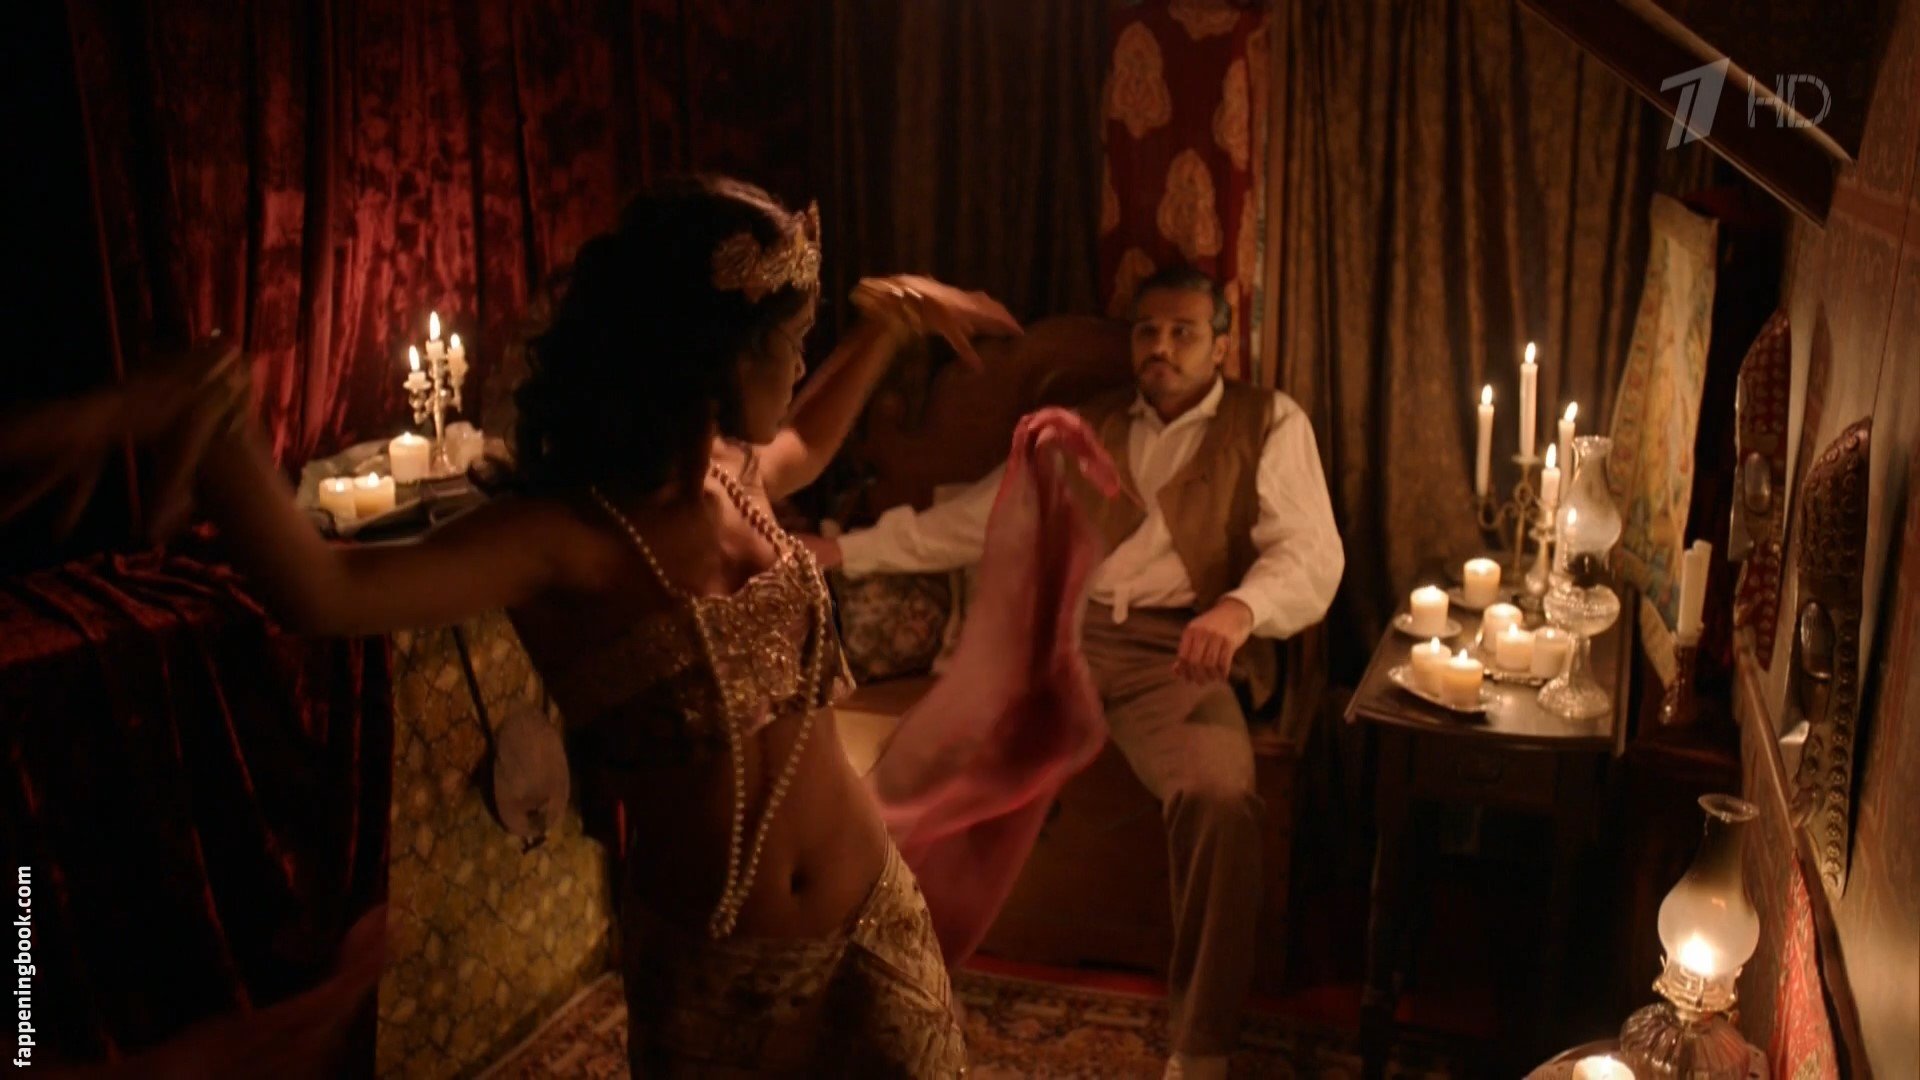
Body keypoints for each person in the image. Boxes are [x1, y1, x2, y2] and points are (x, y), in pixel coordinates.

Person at [3, 175, 1020, 1076]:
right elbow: (325, 591)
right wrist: (213, 418)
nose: (798, 367)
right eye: (786, 346)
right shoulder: (566, 539)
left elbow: (806, 439)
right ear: (709, 356)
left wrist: (888, 324)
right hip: (721, 979)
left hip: (873, 922)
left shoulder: (735, 474)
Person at [806, 266, 1345, 1080]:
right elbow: (976, 521)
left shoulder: (1268, 421)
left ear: (1221, 344)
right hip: (1061, 637)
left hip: (1179, 651)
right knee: (913, 767)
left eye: (1183, 332)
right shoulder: (1084, 425)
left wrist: (1240, 610)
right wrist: (844, 550)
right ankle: (866, 978)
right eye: (1147, 331)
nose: (1161, 347)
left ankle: (1201, 1046)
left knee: (1222, 799)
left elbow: (1310, 552)